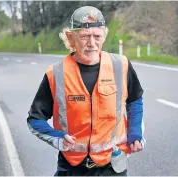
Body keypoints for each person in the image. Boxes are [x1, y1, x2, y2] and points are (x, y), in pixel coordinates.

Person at [27, 6, 145, 176]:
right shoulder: (56, 74)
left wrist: (135, 133)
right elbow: (35, 119)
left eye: (97, 36)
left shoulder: (121, 65)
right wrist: (57, 137)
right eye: (84, 37)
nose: (91, 43)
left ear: (103, 35)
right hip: (71, 167)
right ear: (71, 38)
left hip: (113, 166)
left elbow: (135, 100)